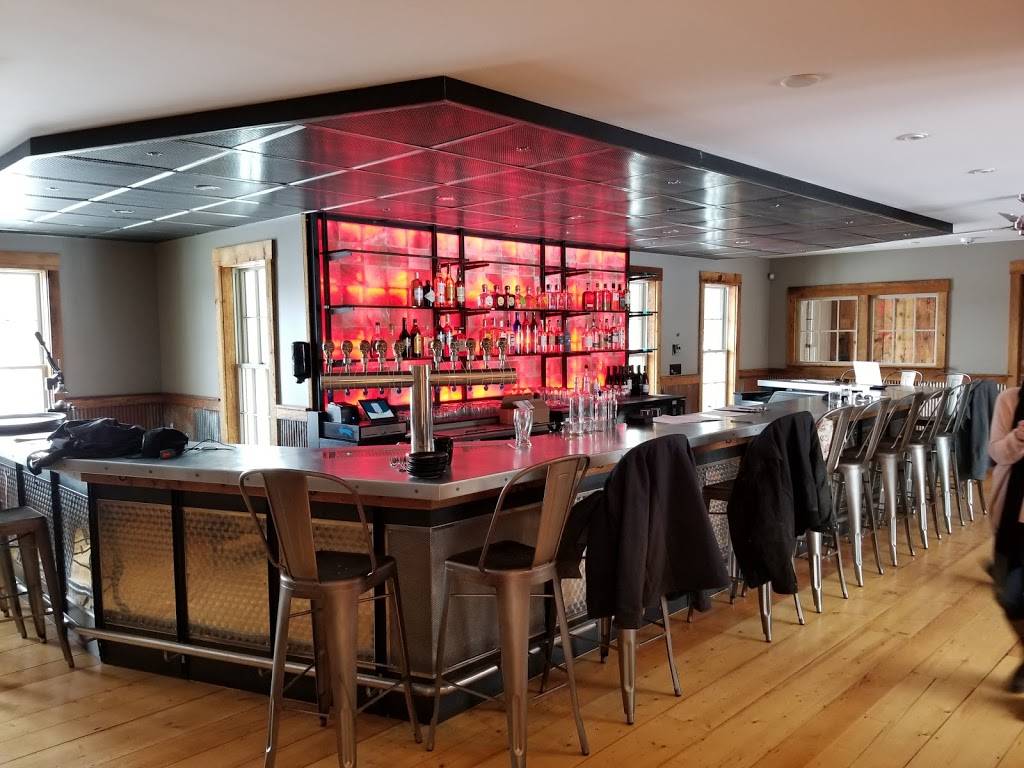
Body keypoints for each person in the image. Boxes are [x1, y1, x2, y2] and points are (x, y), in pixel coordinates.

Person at [988, 384, 1024, 692]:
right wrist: (1018, 438)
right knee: (1009, 595)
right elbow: (996, 452)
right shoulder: (1009, 399)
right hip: (1011, 518)